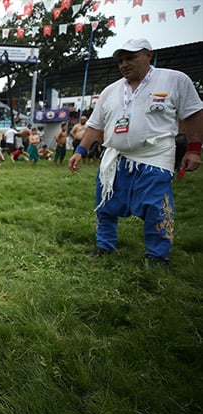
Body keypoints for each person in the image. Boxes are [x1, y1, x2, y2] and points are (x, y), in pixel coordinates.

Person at [68, 38, 203, 266]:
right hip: (114, 157)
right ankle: (104, 246)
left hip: (156, 156)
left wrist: (193, 150)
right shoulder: (110, 91)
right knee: (105, 204)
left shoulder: (174, 80)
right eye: (121, 60)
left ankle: (157, 256)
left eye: (130, 57)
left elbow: (193, 114)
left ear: (149, 55)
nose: (124, 64)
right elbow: (94, 125)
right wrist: (80, 150)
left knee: (156, 207)